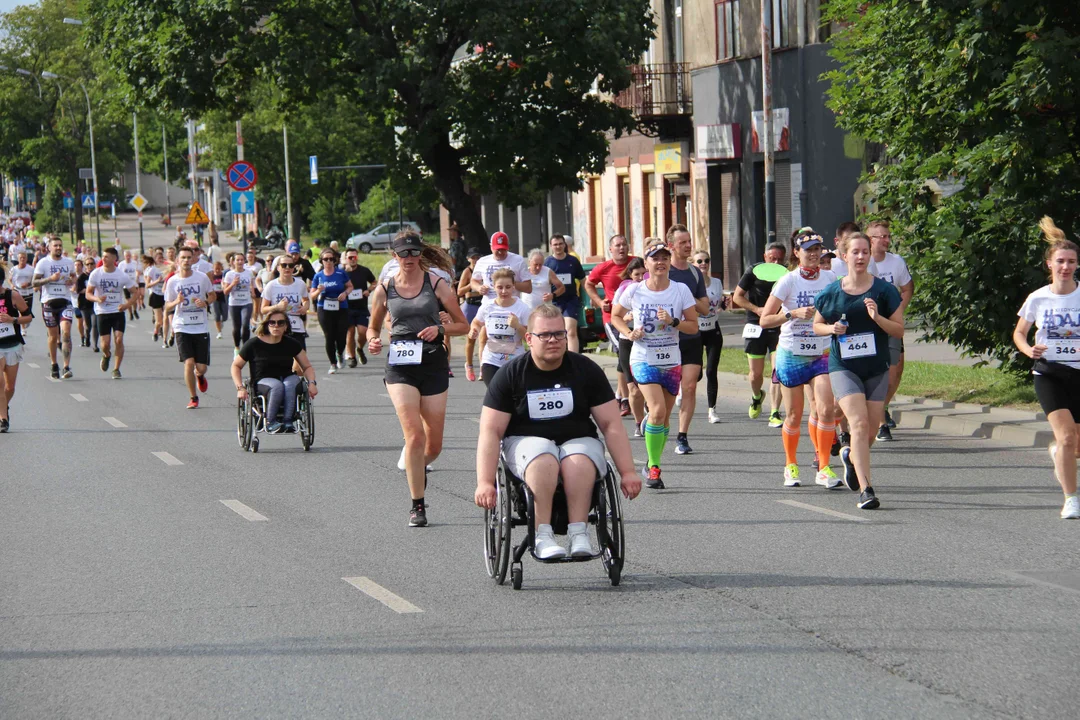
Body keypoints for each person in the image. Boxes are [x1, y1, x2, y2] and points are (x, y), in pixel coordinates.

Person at [474, 303, 642, 558]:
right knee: (543, 455)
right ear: (529, 338)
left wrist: (628, 472)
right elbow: (490, 431)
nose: (553, 340)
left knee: (580, 460)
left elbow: (611, 425)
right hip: (526, 441)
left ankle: (579, 533)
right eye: (545, 335)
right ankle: (542, 535)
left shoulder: (585, 369)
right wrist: (486, 482)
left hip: (577, 438)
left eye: (559, 334)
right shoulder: (510, 374)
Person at [366, 231, 469, 527]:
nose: (409, 258)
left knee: (433, 446)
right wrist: (373, 341)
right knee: (414, 435)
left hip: (433, 362)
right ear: (394, 255)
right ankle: (417, 504)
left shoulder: (437, 284)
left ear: (420, 254)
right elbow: (373, 328)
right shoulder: (385, 288)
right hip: (400, 365)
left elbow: (462, 325)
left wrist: (440, 330)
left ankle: (415, 467)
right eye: (403, 253)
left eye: (413, 253)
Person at [812, 232, 904, 510]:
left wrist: (877, 318)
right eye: (856, 252)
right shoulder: (831, 293)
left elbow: (899, 330)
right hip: (844, 367)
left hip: (876, 367)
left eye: (865, 251)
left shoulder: (884, 291)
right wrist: (831, 329)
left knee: (872, 429)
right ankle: (866, 490)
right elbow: (817, 325)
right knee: (859, 424)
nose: (861, 257)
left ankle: (852, 457)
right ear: (844, 256)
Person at [609, 241, 699, 489]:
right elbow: (615, 315)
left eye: (664, 258)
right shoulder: (635, 290)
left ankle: (650, 458)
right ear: (645, 263)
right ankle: (655, 466)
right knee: (658, 410)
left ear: (669, 262)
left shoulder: (680, 290)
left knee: (664, 418)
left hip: (671, 359)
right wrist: (627, 332)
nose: (660, 262)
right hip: (643, 357)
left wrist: (673, 321)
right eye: (654, 258)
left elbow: (693, 325)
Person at [759, 232, 841, 488]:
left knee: (826, 409)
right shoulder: (787, 281)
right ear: (797, 253)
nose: (814, 254)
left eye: (817, 249)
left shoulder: (830, 278)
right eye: (808, 250)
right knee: (794, 414)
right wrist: (791, 313)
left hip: (822, 350)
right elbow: (765, 320)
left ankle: (824, 467)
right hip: (792, 353)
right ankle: (790, 464)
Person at [1012, 216, 1080, 520]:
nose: (1065, 267)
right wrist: (1028, 350)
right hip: (1049, 373)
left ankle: (1060, 454)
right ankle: (1071, 498)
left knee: (1074, 445)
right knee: (1066, 437)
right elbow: (1019, 332)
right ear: (1049, 264)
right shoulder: (1038, 298)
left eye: (1071, 262)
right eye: (1060, 261)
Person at [232, 310, 318, 434]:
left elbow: (307, 366)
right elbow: (236, 365)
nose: (276, 326)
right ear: (267, 324)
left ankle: (288, 421)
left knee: (290, 384)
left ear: (286, 326)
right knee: (276, 386)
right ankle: (270, 422)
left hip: (287, 377)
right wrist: (240, 387)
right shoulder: (254, 344)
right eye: (272, 322)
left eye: (280, 323)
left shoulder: (292, 343)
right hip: (263, 380)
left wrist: (312, 383)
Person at [866, 220, 914, 441]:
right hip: (868, 326)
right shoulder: (861, 262)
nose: (887, 240)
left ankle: (881, 407)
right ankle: (880, 422)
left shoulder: (896, 262)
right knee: (876, 371)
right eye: (881, 236)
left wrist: (898, 312)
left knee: (895, 371)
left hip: (890, 324)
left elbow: (907, 288)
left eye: (888, 236)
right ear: (870, 239)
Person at [665, 224, 711, 455]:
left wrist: (686, 295)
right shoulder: (662, 270)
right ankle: (655, 418)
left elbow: (704, 307)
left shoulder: (694, 273)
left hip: (691, 335)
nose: (688, 245)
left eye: (689, 241)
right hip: (665, 339)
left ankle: (682, 436)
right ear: (671, 246)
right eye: (683, 242)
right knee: (668, 391)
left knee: (689, 387)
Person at [733, 242, 788, 427]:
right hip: (755, 325)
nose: (776, 262)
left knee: (777, 371)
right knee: (755, 374)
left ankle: (774, 412)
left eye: (780, 259)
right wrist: (757, 309)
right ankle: (757, 397)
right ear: (765, 257)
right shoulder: (753, 271)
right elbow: (737, 297)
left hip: (779, 326)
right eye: (773, 258)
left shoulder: (788, 275)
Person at [585, 234, 637, 415]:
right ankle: (624, 398)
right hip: (612, 319)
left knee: (626, 356)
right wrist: (600, 303)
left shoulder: (636, 263)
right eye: (618, 245)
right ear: (610, 249)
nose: (621, 248)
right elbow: (588, 284)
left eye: (624, 244)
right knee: (625, 353)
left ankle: (619, 395)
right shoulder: (604, 268)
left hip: (635, 318)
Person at [164, 246, 217, 409]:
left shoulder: (201, 278)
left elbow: (213, 295)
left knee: (200, 367)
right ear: (178, 261)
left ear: (193, 259)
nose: (186, 260)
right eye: (183, 258)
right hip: (182, 326)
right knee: (188, 362)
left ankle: (199, 376)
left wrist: (206, 303)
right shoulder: (173, 280)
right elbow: (167, 306)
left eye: (189, 257)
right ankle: (193, 397)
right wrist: (176, 302)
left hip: (200, 326)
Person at [469, 268, 530, 385]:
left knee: (512, 397)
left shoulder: (522, 308)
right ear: (493, 287)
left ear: (513, 287)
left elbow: (529, 337)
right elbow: (476, 322)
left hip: (515, 359)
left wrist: (517, 325)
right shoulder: (487, 306)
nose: (504, 291)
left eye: (508, 287)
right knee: (494, 395)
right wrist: (474, 330)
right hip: (491, 359)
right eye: (500, 287)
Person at [85, 247, 137, 379]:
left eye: (107, 257)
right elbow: (88, 294)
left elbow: (135, 293)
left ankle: (116, 369)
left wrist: (126, 305)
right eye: (103, 256)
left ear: (114, 259)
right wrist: (97, 299)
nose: (103, 259)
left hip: (117, 311)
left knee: (119, 339)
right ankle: (106, 355)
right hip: (102, 311)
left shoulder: (121, 275)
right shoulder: (96, 274)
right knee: (105, 344)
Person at [611, 258, 647, 433]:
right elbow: (615, 315)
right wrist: (626, 319)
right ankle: (639, 424)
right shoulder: (624, 290)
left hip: (647, 342)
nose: (640, 277)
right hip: (627, 340)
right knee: (633, 388)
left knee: (645, 386)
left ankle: (648, 412)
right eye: (636, 274)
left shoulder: (652, 290)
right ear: (630, 275)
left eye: (643, 273)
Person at [32, 237, 76, 380]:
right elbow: (35, 282)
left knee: (66, 333)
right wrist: (50, 279)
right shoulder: (43, 263)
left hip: (65, 301)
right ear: (49, 248)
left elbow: (74, 277)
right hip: (49, 302)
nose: (58, 248)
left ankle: (66, 367)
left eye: (60, 245)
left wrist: (71, 281)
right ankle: (54, 364)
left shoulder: (68, 262)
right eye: (55, 245)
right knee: (52, 336)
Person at [692, 250, 727, 424]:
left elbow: (719, 304)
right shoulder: (691, 284)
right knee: (696, 373)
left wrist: (723, 306)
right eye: (699, 261)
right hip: (696, 332)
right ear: (693, 263)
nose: (703, 264)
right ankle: (683, 391)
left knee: (711, 371)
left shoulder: (717, 283)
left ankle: (711, 410)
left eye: (706, 260)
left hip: (713, 330)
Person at [310, 249, 354, 374]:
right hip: (324, 307)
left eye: (331, 259)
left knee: (341, 335)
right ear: (321, 261)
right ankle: (333, 363)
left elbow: (350, 286)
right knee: (329, 336)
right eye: (325, 259)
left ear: (334, 260)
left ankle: (340, 353)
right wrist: (318, 291)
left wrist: (345, 293)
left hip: (341, 307)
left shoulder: (341, 273)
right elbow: (312, 296)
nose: (328, 261)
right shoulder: (318, 276)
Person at [544, 233, 586, 352]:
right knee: (555, 332)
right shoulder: (547, 263)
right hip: (554, 302)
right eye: (555, 244)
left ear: (565, 245)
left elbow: (583, 280)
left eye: (560, 244)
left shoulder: (573, 260)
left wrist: (590, 297)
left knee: (570, 330)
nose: (558, 247)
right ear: (551, 246)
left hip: (570, 300)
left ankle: (574, 359)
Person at [0, 270, 31, 432]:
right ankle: (3, 419)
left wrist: (13, 319)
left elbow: (28, 316)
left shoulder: (13, 296)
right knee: (0, 383)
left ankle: (3, 408)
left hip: (12, 344)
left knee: (10, 387)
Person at [262, 256, 310, 352]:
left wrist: (305, 307)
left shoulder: (300, 284)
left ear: (294, 268)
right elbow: (263, 309)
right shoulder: (271, 286)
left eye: (290, 265)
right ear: (278, 267)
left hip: (296, 325)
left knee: (301, 357)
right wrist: (277, 307)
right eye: (284, 265)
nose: (287, 268)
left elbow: (306, 300)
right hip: (278, 326)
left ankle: (294, 368)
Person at [341, 249, 376, 367]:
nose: (352, 259)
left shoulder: (364, 271)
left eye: (354, 257)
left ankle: (359, 348)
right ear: (346, 258)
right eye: (350, 257)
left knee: (363, 332)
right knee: (350, 333)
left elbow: (374, 282)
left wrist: (368, 290)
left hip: (361, 307)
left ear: (357, 258)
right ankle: (351, 357)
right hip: (347, 308)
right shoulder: (342, 272)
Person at [458, 248, 485, 380]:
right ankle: (469, 365)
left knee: (484, 338)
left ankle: (483, 368)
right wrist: (472, 285)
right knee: (471, 338)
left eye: (477, 257)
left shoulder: (484, 269)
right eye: (473, 258)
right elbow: (459, 291)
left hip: (482, 305)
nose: (475, 260)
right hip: (471, 305)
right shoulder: (467, 272)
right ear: (468, 259)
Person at [223, 253, 255, 354]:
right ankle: (237, 347)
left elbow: (252, 285)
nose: (240, 262)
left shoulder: (249, 273)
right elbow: (225, 291)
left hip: (247, 302)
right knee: (237, 327)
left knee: (245, 325)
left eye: (242, 260)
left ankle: (245, 348)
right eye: (238, 260)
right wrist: (233, 283)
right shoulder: (229, 274)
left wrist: (252, 291)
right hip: (234, 303)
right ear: (233, 262)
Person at [143, 254, 166, 344]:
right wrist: (157, 281)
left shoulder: (166, 268)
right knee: (159, 320)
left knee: (166, 317)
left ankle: (164, 336)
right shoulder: (152, 270)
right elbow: (148, 285)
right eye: (159, 258)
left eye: (162, 258)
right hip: (156, 295)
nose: (160, 260)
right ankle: (156, 331)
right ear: (155, 260)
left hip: (165, 295)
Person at [117, 249, 142, 320]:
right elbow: (119, 274)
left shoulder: (134, 263)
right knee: (128, 300)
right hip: (125, 285)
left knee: (134, 299)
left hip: (134, 283)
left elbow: (137, 271)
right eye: (126, 256)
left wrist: (137, 277)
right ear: (124, 256)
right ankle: (130, 313)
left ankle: (134, 310)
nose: (128, 257)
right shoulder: (121, 264)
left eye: (129, 256)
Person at [210, 260, 228, 339]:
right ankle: (219, 332)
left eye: (219, 269)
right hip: (215, 298)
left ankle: (222, 322)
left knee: (225, 316)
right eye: (215, 269)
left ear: (221, 268)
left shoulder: (223, 276)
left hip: (223, 297)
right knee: (217, 315)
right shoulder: (211, 276)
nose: (217, 270)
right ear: (213, 269)